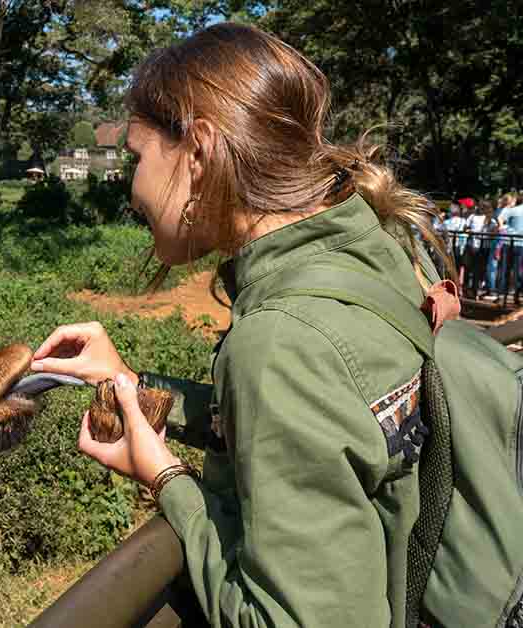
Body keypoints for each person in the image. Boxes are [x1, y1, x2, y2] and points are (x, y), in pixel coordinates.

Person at [31, 23, 458, 627]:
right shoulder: (369, 250)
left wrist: (166, 477)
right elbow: (324, 420)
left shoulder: (282, 339)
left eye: (138, 155)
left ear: (199, 153)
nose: (132, 186)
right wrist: (135, 383)